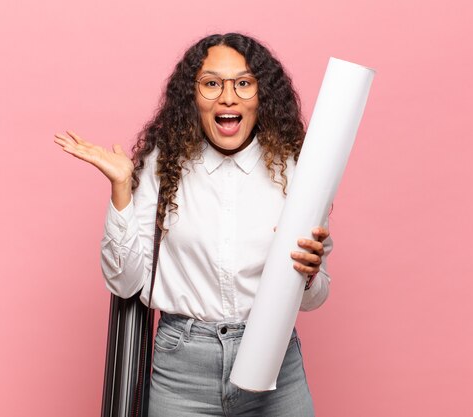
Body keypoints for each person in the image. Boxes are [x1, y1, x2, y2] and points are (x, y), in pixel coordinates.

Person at [54, 33, 332, 417]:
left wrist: (308, 274)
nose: (228, 97)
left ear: (261, 95)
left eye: (244, 83)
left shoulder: (295, 170)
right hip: (183, 369)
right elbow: (125, 283)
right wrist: (122, 188)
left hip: (275, 366)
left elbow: (315, 299)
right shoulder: (161, 165)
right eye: (212, 83)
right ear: (193, 95)